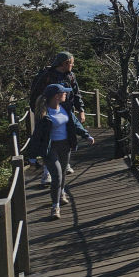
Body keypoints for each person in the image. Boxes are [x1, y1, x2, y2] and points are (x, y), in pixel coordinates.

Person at [30, 84, 95, 219]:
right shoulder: (44, 112)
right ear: (56, 96)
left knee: (63, 174)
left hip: (65, 145)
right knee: (57, 176)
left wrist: (86, 135)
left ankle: (61, 194)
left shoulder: (65, 108)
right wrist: (32, 156)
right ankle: (55, 207)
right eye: (63, 92)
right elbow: (37, 135)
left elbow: (75, 123)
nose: (66, 94)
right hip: (50, 148)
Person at [29, 52, 86, 184]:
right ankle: (47, 173)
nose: (73, 65)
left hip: (66, 112)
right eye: (71, 63)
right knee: (47, 140)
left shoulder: (70, 76)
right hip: (47, 113)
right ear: (65, 63)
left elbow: (76, 94)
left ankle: (64, 164)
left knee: (66, 137)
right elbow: (35, 95)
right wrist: (39, 112)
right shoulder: (46, 76)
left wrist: (81, 110)